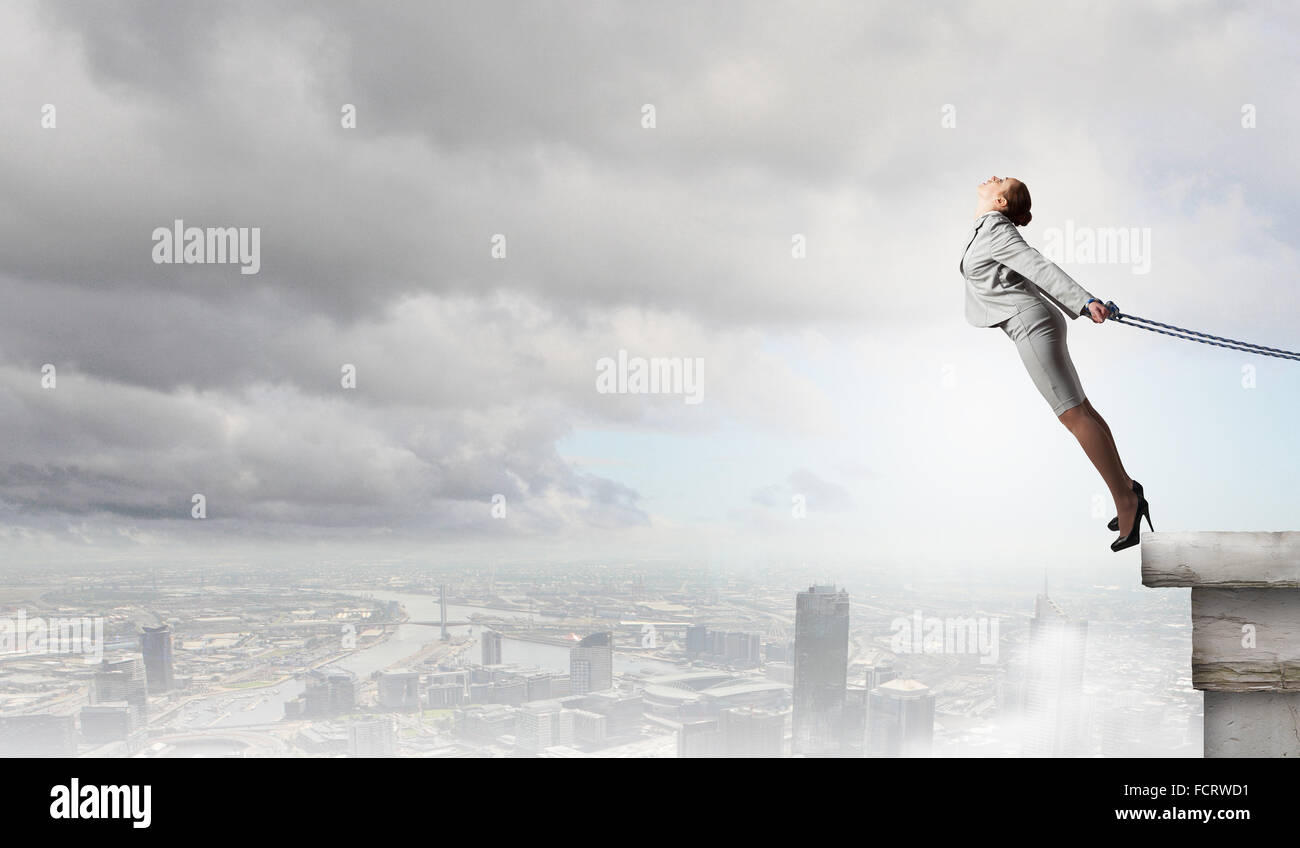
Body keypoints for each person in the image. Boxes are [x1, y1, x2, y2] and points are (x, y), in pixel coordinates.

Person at [960, 176, 1151, 551]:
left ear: (1000, 201)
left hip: (1030, 325)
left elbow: (1039, 266)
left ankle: (1126, 501)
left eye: (1001, 180)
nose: (993, 176)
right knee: (1083, 410)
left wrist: (1085, 301)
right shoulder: (988, 227)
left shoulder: (996, 229)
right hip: (1034, 322)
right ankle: (1127, 488)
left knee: (1073, 416)